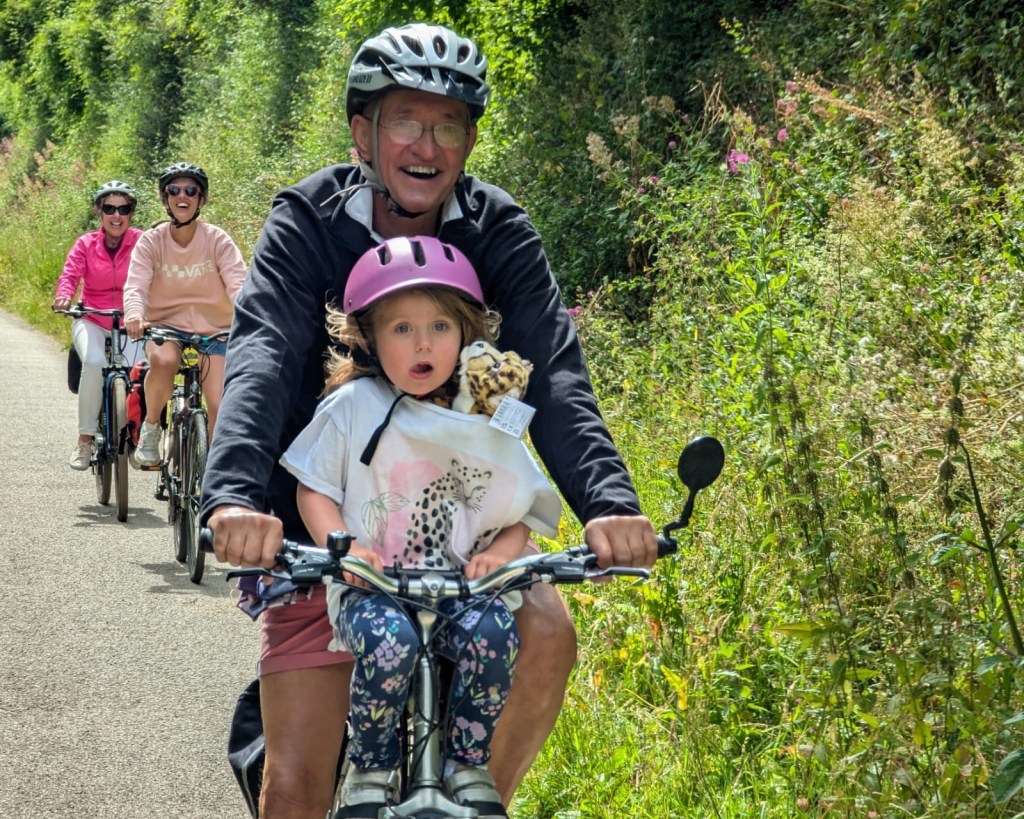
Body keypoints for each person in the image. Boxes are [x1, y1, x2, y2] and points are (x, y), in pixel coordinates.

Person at [201, 22, 657, 819]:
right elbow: (264, 352)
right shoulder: (308, 220)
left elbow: (554, 370)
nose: (427, 145)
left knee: (548, 630)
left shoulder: (496, 228)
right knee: (296, 788)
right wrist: (234, 495)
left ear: (469, 142)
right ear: (362, 133)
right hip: (328, 529)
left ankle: (480, 804)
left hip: (461, 534)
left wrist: (609, 502)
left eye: (449, 126)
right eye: (406, 120)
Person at [277, 235, 561, 818]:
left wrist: (503, 554)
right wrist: (343, 548)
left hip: (463, 589)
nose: (423, 343)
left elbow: (517, 512)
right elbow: (314, 487)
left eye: (440, 326)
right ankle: (372, 764)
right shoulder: (353, 406)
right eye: (401, 328)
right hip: (372, 588)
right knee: (390, 643)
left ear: (467, 335)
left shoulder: (486, 424)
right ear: (368, 337)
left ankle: (467, 762)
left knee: (494, 636)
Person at [123, 162, 247, 465]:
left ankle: (215, 473)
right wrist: (135, 314)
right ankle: (152, 425)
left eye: (191, 191)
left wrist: (249, 312)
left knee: (219, 403)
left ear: (201, 199)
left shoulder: (217, 239)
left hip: (215, 330)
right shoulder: (151, 241)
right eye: (174, 190)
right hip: (166, 327)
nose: (183, 196)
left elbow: (238, 283)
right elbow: (136, 285)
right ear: (165, 198)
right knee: (164, 360)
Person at [53, 181, 147, 470]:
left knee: (140, 372)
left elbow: (156, 273)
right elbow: (70, 274)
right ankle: (84, 439)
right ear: (99, 212)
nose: (116, 215)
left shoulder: (143, 242)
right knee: (94, 363)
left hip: (131, 321)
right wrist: (64, 296)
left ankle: (137, 436)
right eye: (110, 208)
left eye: (124, 209)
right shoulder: (86, 244)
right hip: (92, 318)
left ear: (131, 213)